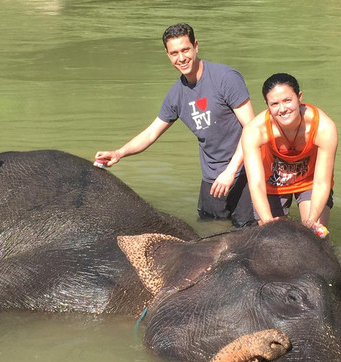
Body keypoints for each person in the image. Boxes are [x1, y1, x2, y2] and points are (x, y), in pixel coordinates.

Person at [94, 23, 256, 226]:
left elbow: (252, 129)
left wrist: (230, 172)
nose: (181, 58)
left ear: (196, 46)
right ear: (167, 54)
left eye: (185, 50)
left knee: (249, 235)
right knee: (209, 232)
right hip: (212, 178)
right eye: (174, 53)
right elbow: (151, 133)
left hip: (244, 172)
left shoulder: (226, 78)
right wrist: (119, 153)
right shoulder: (176, 94)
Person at [240, 73, 338, 236]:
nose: (283, 109)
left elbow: (322, 182)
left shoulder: (323, 127)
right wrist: (267, 221)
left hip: (309, 182)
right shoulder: (254, 131)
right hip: (273, 184)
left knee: (314, 238)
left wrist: (312, 222)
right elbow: (256, 184)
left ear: (299, 97)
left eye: (287, 100)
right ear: (267, 105)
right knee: (273, 241)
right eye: (275, 104)